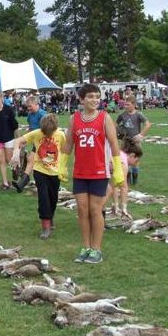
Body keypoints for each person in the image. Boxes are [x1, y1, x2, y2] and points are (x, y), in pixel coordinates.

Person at [59, 83, 124, 264]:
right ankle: (85, 247)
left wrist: (118, 169)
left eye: (97, 96)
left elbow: (113, 144)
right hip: (80, 172)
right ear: (81, 99)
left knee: (96, 210)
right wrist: (62, 165)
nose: (94, 100)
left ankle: (96, 249)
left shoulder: (105, 118)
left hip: (99, 172)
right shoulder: (75, 118)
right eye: (90, 97)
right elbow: (69, 143)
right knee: (82, 210)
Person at [10, 113, 66, 239]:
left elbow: (65, 150)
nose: (47, 135)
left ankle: (50, 217)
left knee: (53, 198)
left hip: (55, 172)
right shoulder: (37, 133)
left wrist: (63, 167)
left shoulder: (61, 135)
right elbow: (18, 140)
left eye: (50, 133)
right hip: (40, 170)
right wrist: (15, 152)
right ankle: (45, 227)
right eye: (45, 133)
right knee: (43, 198)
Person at [115, 95, 151, 185]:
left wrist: (141, 135)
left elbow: (148, 124)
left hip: (135, 141)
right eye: (125, 105)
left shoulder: (138, 114)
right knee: (125, 160)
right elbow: (115, 124)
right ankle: (127, 179)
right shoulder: (122, 115)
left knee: (135, 161)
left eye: (128, 105)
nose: (125, 106)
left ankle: (135, 180)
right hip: (125, 141)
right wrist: (118, 131)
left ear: (134, 104)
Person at [16, 96, 48, 190]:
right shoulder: (30, 115)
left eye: (30, 106)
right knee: (31, 159)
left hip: (44, 142)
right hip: (36, 142)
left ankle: (24, 182)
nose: (28, 108)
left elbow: (47, 129)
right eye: (27, 107)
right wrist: (24, 140)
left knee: (38, 161)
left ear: (36, 104)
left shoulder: (43, 114)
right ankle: (23, 182)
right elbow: (30, 129)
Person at [107, 138, 143, 220]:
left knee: (108, 189)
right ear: (132, 155)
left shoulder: (120, 154)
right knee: (104, 194)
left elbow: (115, 184)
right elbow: (123, 187)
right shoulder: (123, 162)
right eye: (136, 161)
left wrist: (115, 205)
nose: (136, 164)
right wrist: (124, 209)